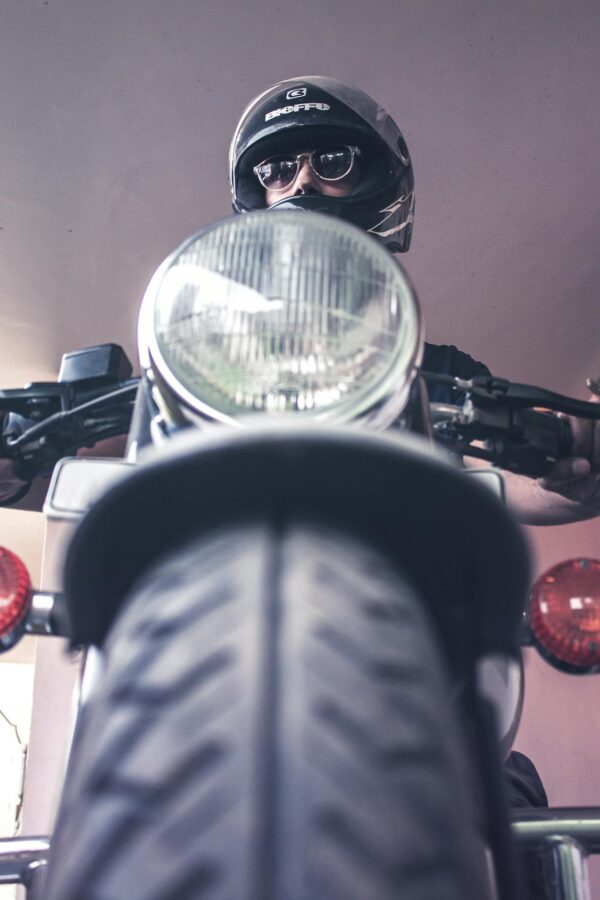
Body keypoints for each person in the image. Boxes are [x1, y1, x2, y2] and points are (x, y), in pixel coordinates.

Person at [228, 75, 600, 527]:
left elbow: (503, 478)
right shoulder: (203, 365)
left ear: (372, 181)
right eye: (277, 170)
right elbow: (126, 455)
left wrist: (565, 465)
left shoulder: (444, 376)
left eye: (331, 161)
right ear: (260, 193)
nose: (302, 180)